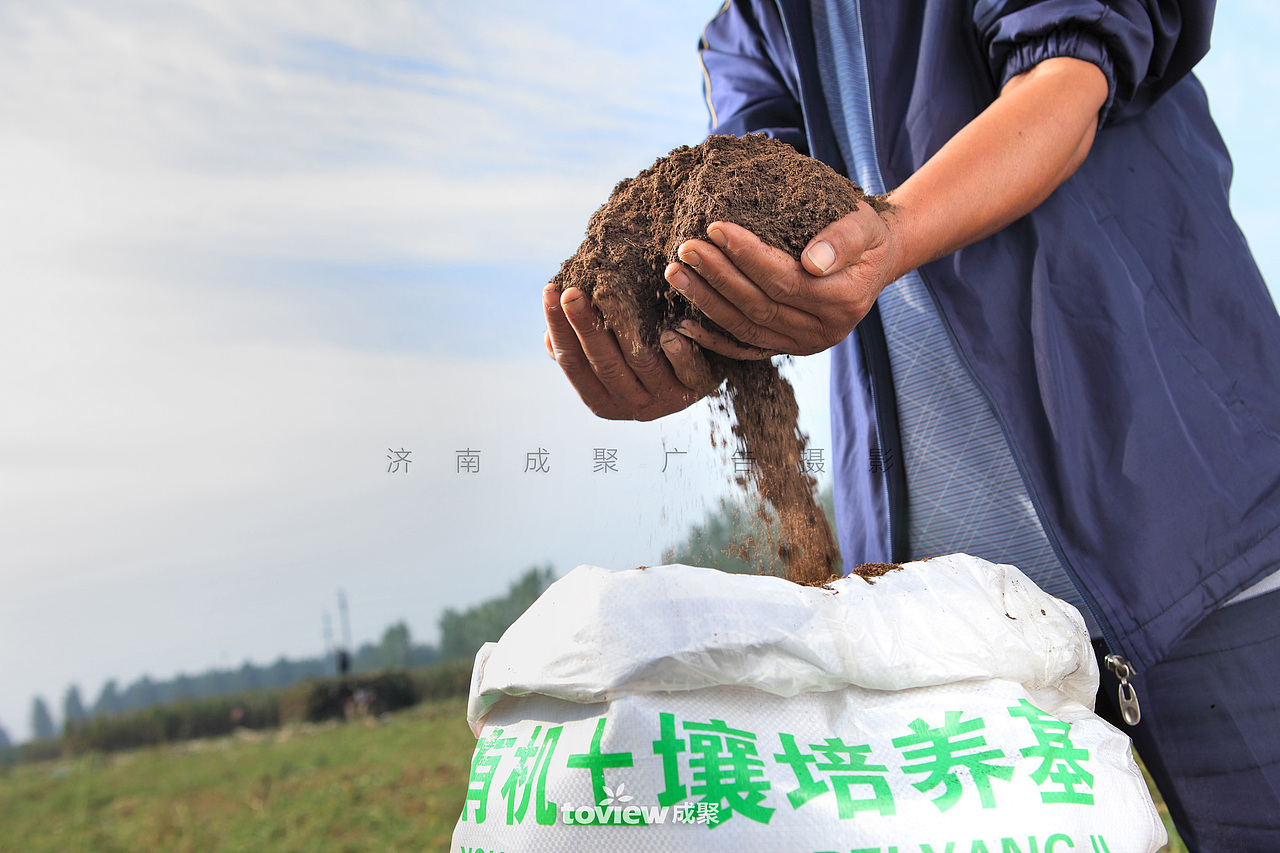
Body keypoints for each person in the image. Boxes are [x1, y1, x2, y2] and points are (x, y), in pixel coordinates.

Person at [543, 1, 1280, 847]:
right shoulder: (749, 25)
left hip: (1196, 537)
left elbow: (1067, 84)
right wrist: (680, 337)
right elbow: (752, 214)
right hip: (949, 634)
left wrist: (889, 236)